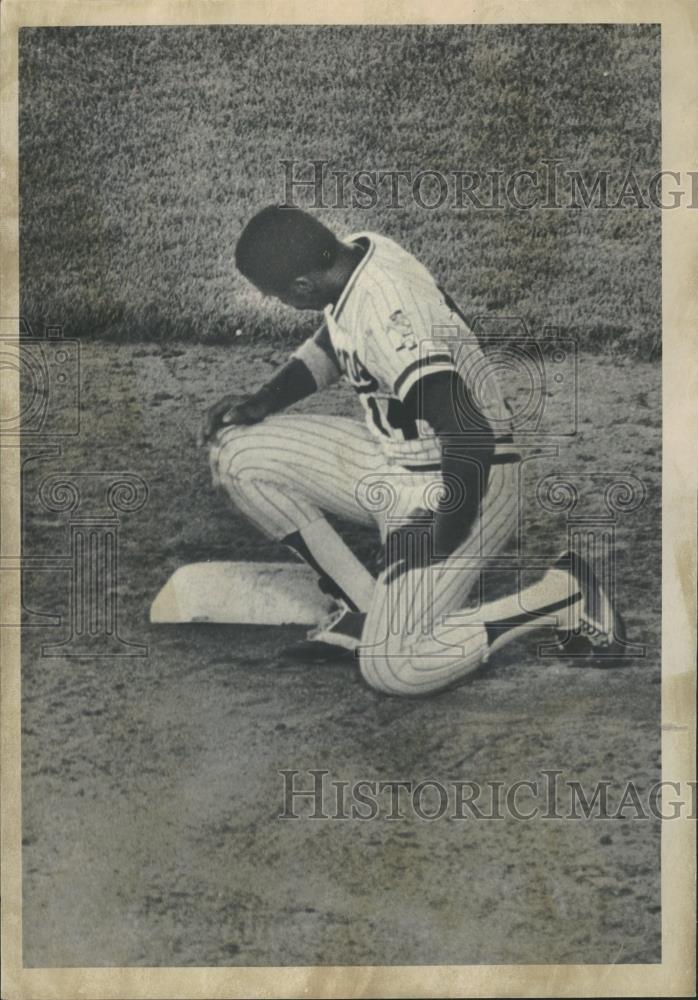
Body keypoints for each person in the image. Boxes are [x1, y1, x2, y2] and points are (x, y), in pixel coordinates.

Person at [201, 205, 624, 696]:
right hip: (394, 463)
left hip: (468, 482)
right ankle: (365, 610)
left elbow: (469, 435)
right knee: (236, 455)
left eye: (272, 292)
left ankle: (562, 597)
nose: (268, 299)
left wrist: (437, 538)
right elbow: (339, 338)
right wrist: (264, 400)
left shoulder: (387, 312)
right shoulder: (356, 254)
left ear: (300, 287)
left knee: (395, 667)